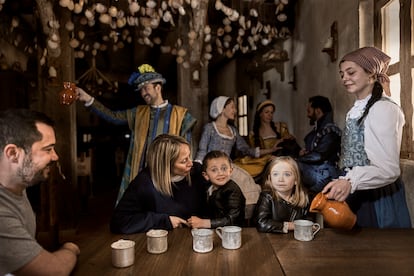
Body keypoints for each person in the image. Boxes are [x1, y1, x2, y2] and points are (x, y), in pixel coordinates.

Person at [76, 64, 197, 204]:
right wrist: (88, 99)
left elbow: (186, 148)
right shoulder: (138, 113)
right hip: (140, 171)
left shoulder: (181, 114)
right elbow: (113, 116)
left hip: (168, 173)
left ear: (158, 88)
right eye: (141, 90)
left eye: (146, 88)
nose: (143, 93)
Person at [322, 46, 411, 228]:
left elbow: (388, 169)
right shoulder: (359, 109)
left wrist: (351, 181)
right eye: (342, 74)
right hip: (357, 189)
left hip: (376, 196)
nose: (345, 78)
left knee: (372, 251)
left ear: (371, 75)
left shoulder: (382, 109)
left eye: (351, 72)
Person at [0, 109, 80, 275]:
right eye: (48, 149)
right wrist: (70, 248)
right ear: (13, 154)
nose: (55, 157)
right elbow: (54, 271)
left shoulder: (18, 186)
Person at [110, 134, 208, 234]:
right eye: (184, 161)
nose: (191, 163)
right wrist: (165, 221)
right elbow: (119, 222)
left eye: (189, 156)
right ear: (166, 165)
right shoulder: (144, 183)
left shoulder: (198, 171)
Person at [194, 96, 270, 208]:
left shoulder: (233, 130)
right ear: (222, 109)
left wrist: (270, 150)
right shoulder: (210, 128)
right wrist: (198, 168)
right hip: (212, 167)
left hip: (227, 167)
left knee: (245, 182)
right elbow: (202, 150)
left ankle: (246, 213)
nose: (235, 110)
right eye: (232, 107)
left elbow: (246, 149)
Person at [239, 99, 300, 178]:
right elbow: (254, 153)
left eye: (271, 112)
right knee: (244, 168)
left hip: (281, 156)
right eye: (266, 112)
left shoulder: (280, 127)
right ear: (260, 114)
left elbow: (288, 146)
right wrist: (271, 152)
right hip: (265, 159)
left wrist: (287, 138)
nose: (270, 115)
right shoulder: (253, 134)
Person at [188, 151, 246, 229]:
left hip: (231, 232)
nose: (220, 173)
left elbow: (233, 220)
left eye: (224, 168)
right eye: (214, 170)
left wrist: (203, 223)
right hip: (216, 229)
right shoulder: (209, 187)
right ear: (206, 176)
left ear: (230, 171)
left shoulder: (233, 190)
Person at [296, 96, 341, 194]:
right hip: (317, 171)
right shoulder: (318, 130)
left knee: (291, 166)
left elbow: (319, 155)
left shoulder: (330, 130)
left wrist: (297, 159)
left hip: (325, 175)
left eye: (309, 111)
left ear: (317, 111)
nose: (307, 115)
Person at [254, 156, 310, 233]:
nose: (280, 179)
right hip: (270, 241)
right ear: (270, 179)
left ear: (296, 180)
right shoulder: (267, 197)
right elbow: (262, 223)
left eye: (287, 174)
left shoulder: (303, 199)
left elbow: (308, 222)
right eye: (275, 174)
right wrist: (292, 226)